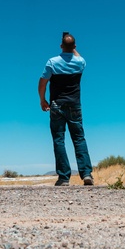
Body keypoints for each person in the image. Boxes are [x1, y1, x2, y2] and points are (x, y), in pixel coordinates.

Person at [39, 33, 94, 186]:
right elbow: (78, 56)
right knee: (79, 138)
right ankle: (86, 173)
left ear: (61, 46)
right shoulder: (80, 62)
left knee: (59, 140)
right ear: (75, 47)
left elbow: (42, 82)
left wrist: (42, 99)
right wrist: (72, 47)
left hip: (56, 105)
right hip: (75, 105)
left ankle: (64, 177)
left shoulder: (52, 62)